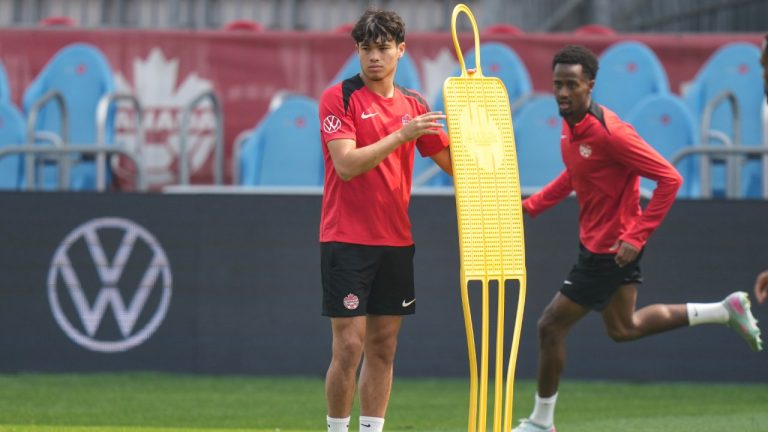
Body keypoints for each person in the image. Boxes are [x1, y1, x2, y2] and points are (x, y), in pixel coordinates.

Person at [513, 45, 763, 432]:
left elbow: (670, 178)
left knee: (550, 326)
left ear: (590, 85)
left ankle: (541, 423)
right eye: (557, 84)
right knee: (623, 328)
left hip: (610, 250)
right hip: (600, 243)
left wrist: (637, 234)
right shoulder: (570, 124)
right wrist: (529, 208)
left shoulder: (612, 133)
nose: (563, 93)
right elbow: (575, 175)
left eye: (571, 85)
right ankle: (723, 309)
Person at [318, 9, 451, 432]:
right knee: (349, 346)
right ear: (357, 50)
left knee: (383, 347)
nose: (374, 57)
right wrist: (401, 135)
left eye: (383, 48)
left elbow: (455, 166)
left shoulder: (415, 105)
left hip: (395, 241)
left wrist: (485, 144)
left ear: (401, 50)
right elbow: (346, 166)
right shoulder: (338, 97)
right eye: (366, 48)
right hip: (346, 240)